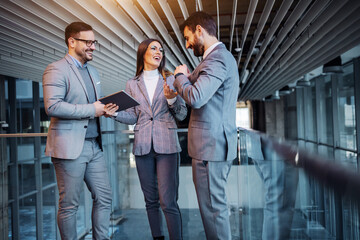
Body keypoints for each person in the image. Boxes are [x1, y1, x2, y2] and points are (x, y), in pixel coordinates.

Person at [166, 11, 240, 240]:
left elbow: (196, 97)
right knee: (212, 209)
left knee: (213, 210)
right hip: (212, 146)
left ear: (200, 30)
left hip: (211, 147)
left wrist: (180, 76)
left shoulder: (217, 58)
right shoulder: (215, 59)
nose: (188, 45)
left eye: (188, 38)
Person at [105, 39, 187, 240]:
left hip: (166, 144)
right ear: (143, 53)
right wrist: (113, 114)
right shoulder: (132, 84)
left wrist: (171, 100)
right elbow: (134, 116)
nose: (158, 52)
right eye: (154, 48)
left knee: (168, 201)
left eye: (161, 49)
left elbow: (182, 114)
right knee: (150, 200)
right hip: (142, 146)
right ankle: (157, 237)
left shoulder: (171, 80)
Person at [43, 22, 112, 240]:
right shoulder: (56, 69)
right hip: (70, 148)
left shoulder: (93, 71)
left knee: (104, 198)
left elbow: (93, 105)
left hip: (94, 146)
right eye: (88, 42)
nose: (92, 46)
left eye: (94, 42)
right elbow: (52, 106)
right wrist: (92, 109)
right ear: (72, 42)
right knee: (69, 205)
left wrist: (104, 109)